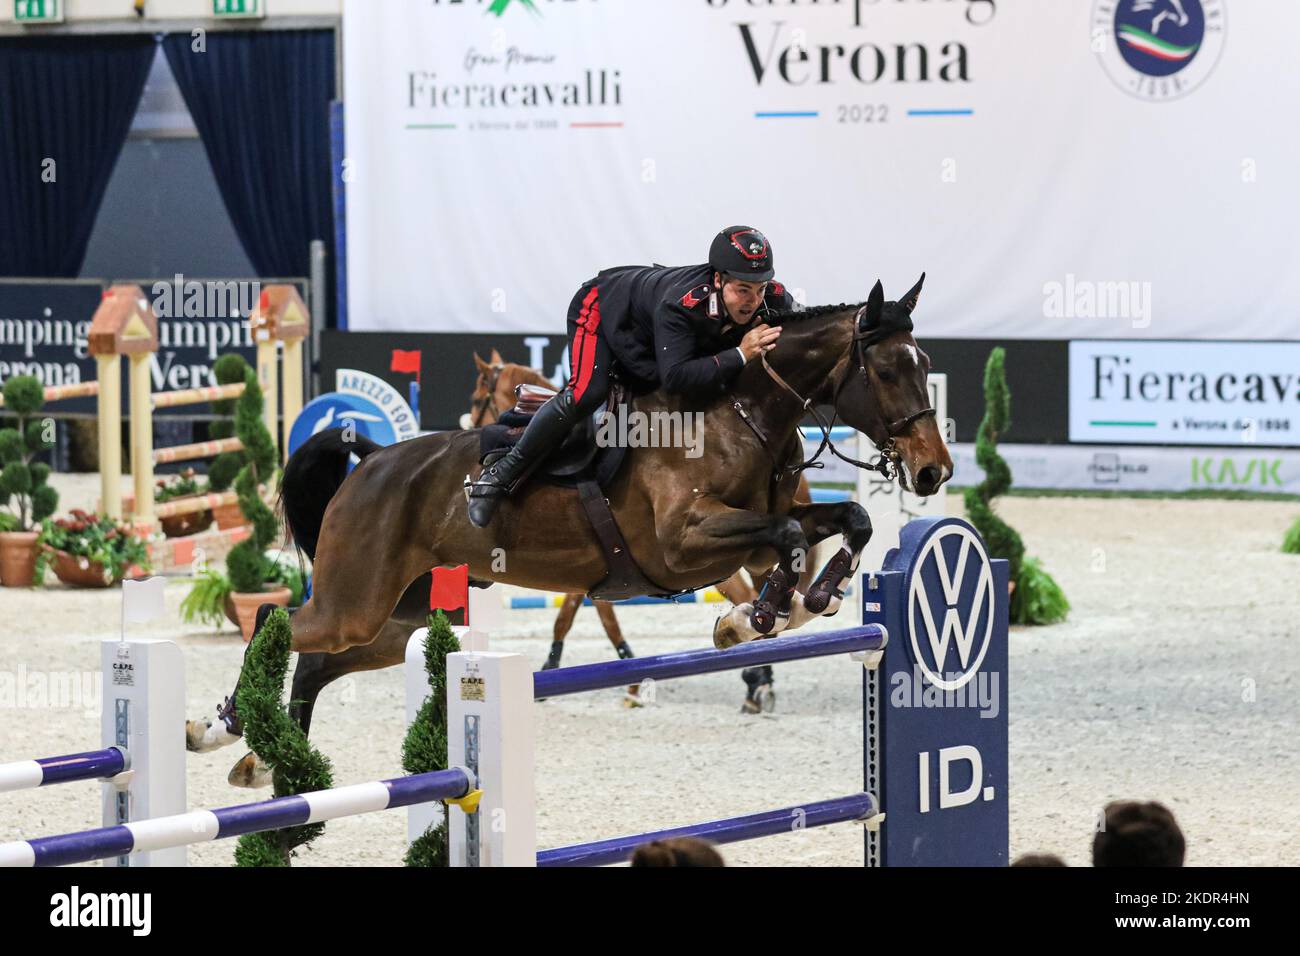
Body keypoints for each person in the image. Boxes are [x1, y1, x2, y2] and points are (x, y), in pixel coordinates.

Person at [467, 225, 795, 528]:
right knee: (586, 393)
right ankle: (498, 476)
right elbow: (677, 378)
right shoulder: (682, 304)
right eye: (743, 290)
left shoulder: (773, 298)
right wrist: (740, 353)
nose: (753, 301)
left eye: (760, 289)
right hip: (601, 308)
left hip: (647, 335)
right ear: (719, 280)